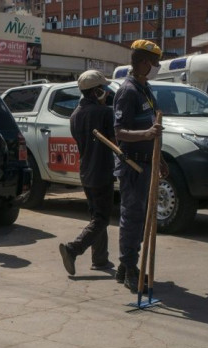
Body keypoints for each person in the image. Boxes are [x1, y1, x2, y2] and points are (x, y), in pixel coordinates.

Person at [113, 40, 165, 293]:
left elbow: (155, 130)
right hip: (132, 164)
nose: (156, 67)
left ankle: (125, 266)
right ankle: (130, 268)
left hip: (148, 163)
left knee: (143, 218)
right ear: (144, 63)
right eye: (154, 63)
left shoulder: (146, 89)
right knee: (132, 218)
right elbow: (120, 133)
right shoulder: (128, 91)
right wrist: (146, 134)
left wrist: (161, 159)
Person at [58, 70, 116, 276]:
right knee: (101, 219)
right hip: (101, 170)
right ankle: (73, 249)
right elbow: (116, 140)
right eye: (104, 89)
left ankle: (100, 259)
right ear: (96, 91)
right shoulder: (104, 113)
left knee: (96, 216)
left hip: (86, 171)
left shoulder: (76, 115)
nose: (107, 93)